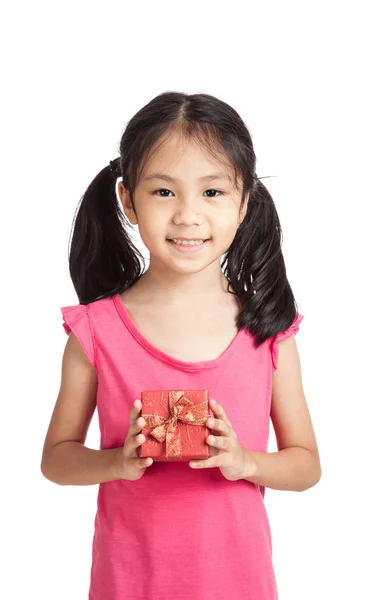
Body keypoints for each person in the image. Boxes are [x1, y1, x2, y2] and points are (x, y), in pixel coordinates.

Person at [40, 91, 321, 600]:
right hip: (128, 586)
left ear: (245, 202)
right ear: (128, 200)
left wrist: (244, 462)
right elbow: (56, 459)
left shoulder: (268, 328)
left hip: (240, 587)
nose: (188, 216)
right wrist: (116, 463)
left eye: (212, 192)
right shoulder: (97, 329)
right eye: (164, 193)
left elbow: (306, 465)